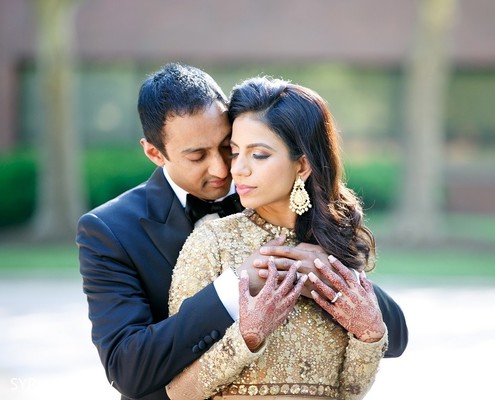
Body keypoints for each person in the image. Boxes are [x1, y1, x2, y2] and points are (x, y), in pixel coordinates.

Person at [76, 63, 408, 400]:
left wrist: (328, 273)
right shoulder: (110, 230)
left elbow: (394, 337)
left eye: (226, 147)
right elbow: (128, 370)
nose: (225, 169)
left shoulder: (276, 197)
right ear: (154, 153)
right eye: (197, 156)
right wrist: (236, 287)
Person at [166, 76, 390, 400]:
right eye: (235, 152)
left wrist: (370, 332)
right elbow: (178, 391)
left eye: (258, 155)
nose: (238, 169)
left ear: (302, 165)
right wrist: (248, 338)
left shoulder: (336, 247)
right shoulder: (211, 243)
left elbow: (349, 392)